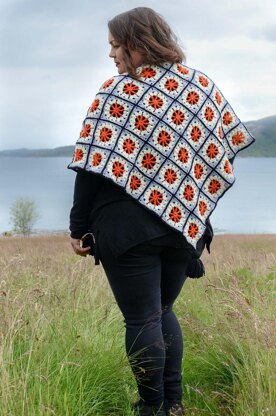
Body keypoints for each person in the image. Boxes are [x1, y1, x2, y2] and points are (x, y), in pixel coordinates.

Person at [68, 7, 254, 416]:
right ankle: (173, 404)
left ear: (136, 44)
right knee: (162, 312)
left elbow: (90, 166)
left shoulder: (117, 92)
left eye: (116, 46)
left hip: (127, 229)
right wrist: (192, 214)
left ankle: (150, 407)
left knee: (142, 318)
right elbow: (211, 159)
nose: (111, 55)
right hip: (183, 230)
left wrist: (77, 227)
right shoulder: (200, 87)